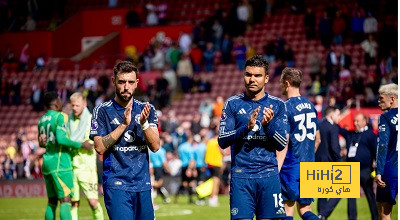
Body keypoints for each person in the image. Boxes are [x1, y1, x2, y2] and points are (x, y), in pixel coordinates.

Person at [218, 55, 288, 219]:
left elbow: (281, 144)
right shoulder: (232, 104)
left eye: (257, 75)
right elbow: (222, 140)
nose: (252, 79)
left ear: (266, 79)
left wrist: (267, 126)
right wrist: (246, 128)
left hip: (269, 176)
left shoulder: (277, 105)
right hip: (241, 177)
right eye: (248, 74)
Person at [90, 61, 161, 220]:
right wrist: (123, 125)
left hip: (143, 185)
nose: (126, 86)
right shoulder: (102, 111)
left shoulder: (147, 109)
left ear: (136, 83)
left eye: (130, 82)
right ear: (114, 81)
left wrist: (144, 124)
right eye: (121, 82)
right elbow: (99, 147)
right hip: (116, 184)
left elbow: (155, 146)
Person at [38, 92, 91, 220]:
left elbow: (42, 143)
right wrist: (81, 144)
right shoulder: (60, 116)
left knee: (52, 200)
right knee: (65, 199)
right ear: (56, 102)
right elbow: (61, 139)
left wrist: (41, 142)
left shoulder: (42, 120)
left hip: (47, 162)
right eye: (60, 100)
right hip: (60, 162)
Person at [279, 67, 321, 220]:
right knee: (305, 209)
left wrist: (277, 166)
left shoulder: (285, 107)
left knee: (287, 210)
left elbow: (284, 141)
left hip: (291, 164)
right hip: (309, 163)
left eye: (281, 83)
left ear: (287, 83)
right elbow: (318, 139)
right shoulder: (311, 106)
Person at [67, 92, 104, 220]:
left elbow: (96, 141)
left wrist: (90, 143)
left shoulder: (91, 120)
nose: (74, 108)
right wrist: (80, 144)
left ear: (84, 104)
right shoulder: (69, 121)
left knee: (93, 202)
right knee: (73, 203)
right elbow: (66, 140)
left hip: (87, 167)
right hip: (72, 166)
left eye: (77, 105)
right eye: (72, 106)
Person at [339, 113, 378, 220]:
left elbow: (375, 152)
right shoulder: (351, 134)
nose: (355, 123)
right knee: (351, 198)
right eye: (354, 121)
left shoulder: (370, 135)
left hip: (365, 170)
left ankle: (375, 217)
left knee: (370, 196)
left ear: (364, 121)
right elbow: (340, 130)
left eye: (358, 121)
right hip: (351, 170)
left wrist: (377, 170)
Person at [375, 83, 398, 220]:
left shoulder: (385, 117)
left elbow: (382, 146)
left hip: (391, 168)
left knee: (384, 214)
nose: (378, 102)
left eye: (381, 99)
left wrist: (379, 171)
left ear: (392, 99)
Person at [315, 106, 342, 220]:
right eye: (338, 114)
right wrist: (340, 161)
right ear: (332, 115)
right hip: (330, 163)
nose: (339, 117)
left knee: (322, 192)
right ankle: (323, 214)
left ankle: (321, 215)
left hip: (317, 161)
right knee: (341, 191)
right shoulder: (333, 127)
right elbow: (335, 148)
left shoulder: (319, 125)